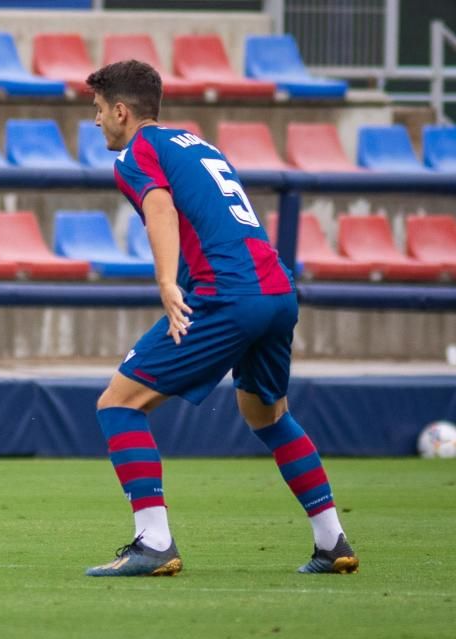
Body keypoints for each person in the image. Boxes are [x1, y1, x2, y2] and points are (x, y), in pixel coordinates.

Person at [83, 61, 358, 577]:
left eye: (98, 110)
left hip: (228, 295)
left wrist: (166, 283)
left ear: (121, 110)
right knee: (267, 416)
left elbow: (161, 210)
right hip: (277, 292)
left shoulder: (136, 154)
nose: (96, 120)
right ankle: (332, 541)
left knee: (118, 404)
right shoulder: (197, 143)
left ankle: (153, 542)